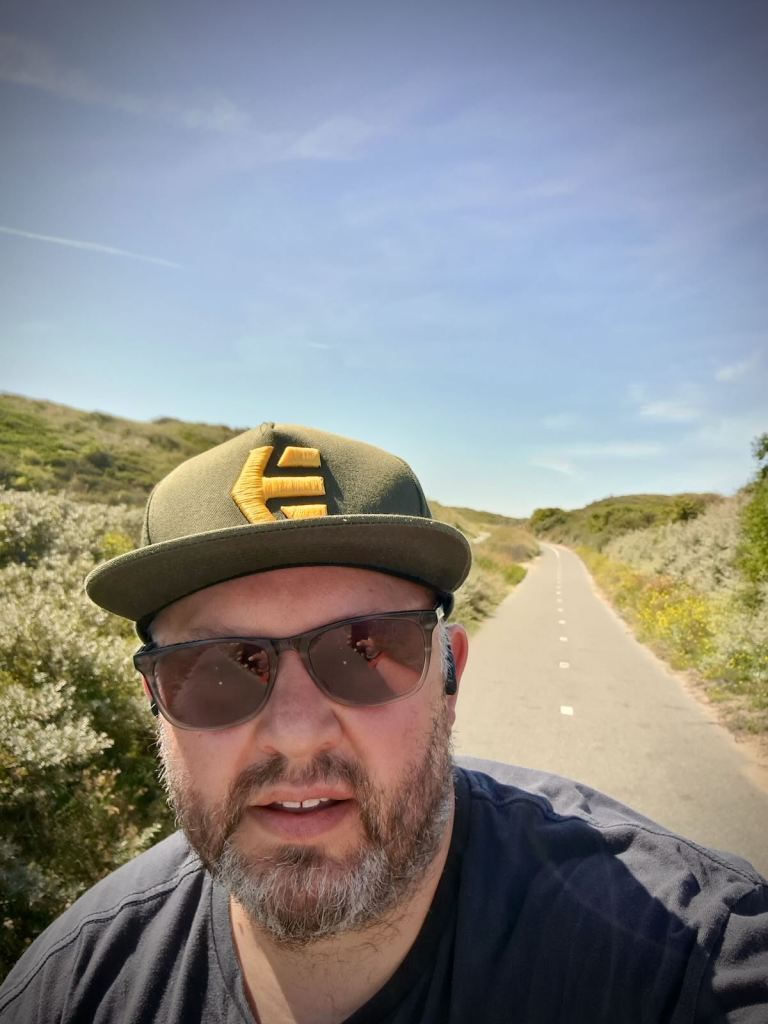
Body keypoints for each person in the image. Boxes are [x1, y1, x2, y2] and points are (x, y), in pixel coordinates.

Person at [1, 422, 766, 1024]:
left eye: (365, 650)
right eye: (220, 668)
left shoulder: (690, 957)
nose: (297, 733)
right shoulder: (73, 990)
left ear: (451, 676)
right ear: (156, 705)